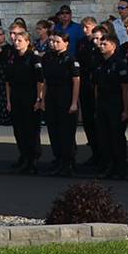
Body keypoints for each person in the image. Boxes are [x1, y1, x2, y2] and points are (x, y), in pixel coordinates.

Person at [89, 32, 128, 180]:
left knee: (117, 137)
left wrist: (126, 109)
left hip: (116, 103)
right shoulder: (99, 63)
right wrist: (96, 106)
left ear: (113, 46)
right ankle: (107, 166)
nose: (101, 46)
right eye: (100, 44)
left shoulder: (119, 63)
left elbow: (125, 88)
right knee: (104, 137)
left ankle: (120, 168)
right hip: (102, 103)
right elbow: (96, 86)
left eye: (104, 44)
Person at [1, 28, 45, 174]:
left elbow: (40, 80)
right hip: (16, 95)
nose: (17, 43)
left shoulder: (33, 57)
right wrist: (8, 101)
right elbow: (8, 81)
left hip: (30, 95)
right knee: (19, 129)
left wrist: (39, 99)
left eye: (20, 41)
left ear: (27, 42)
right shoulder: (12, 58)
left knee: (31, 129)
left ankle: (32, 160)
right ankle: (24, 156)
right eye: (15, 41)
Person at [39, 30, 81, 176]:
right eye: (51, 41)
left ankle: (68, 162)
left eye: (57, 41)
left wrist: (74, 102)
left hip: (66, 94)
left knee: (66, 132)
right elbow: (44, 81)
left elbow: (76, 82)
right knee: (54, 130)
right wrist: (42, 99)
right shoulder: (47, 58)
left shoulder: (70, 59)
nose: (53, 44)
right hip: (52, 95)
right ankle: (58, 159)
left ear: (66, 43)